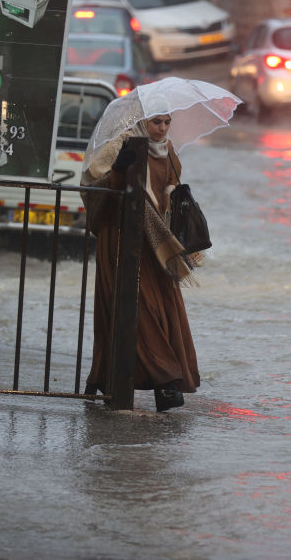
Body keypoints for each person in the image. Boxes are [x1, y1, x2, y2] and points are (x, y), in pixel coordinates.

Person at [80, 115, 201, 412]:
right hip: (120, 238)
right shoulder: (120, 145)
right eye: (156, 122)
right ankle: (166, 383)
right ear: (143, 120)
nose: (161, 128)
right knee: (137, 307)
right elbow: (96, 184)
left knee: (160, 307)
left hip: (157, 242)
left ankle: (103, 378)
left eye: (167, 122)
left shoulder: (168, 151)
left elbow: (169, 191)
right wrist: (120, 170)